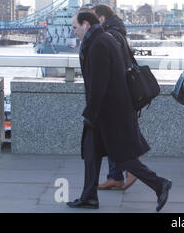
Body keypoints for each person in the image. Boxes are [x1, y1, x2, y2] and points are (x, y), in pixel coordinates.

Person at [67, 11, 171, 211]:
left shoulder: (98, 44)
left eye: (74, 27)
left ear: (86, 24)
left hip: (107, 112)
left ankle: (160, 184)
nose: (74, 32)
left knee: (122, 156)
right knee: (91, 153)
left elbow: (99, 84)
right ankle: (89, 197)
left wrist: (91, 113)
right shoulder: (103, 38)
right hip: (108, 110)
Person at [91, 4, 137, 191]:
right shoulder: (116, 32)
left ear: (101, 19)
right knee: (114, 135)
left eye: (93, 19)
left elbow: (111, 64)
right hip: (119, 91)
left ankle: (133, 171)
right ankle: (116, 175)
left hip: (116, 93)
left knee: (117, 136)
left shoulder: (111, 35)